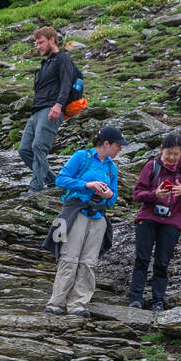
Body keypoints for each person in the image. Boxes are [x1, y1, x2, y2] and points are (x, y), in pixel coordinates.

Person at [45, 125, 123, 318]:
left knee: (88, 262)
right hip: (76, 212)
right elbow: (61, 180)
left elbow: (113, 199)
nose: (120, 149)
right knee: (69, 258)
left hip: (98, 217)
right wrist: (87, 184)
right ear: (106, 143)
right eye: (118, 145)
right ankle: (57, 302)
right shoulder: (82, 157)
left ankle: (78, 304)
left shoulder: (112, 168)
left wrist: (109, 194)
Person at [129, 131, 181, 313]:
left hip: (172, 221)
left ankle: (158, 301)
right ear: (161, 149)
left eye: (176, 154)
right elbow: (137, 195)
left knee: (162, 263)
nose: (171, 157)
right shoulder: (151, 166)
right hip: (148, 218)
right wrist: (154, 195)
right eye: (168, 153)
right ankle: (136, 298)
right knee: (142, 259)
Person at [18, 27, 79, 192]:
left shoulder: (63, 58)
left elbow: (66, 83)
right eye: (36, 43)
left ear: (52, 40)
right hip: (37, 111)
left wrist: (59, 105)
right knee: (24, 149)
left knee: (39, 146)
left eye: (41, 42)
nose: (38, 46)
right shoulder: (45, 63)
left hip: (51, 109)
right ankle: (53, 180)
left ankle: (36, 186)